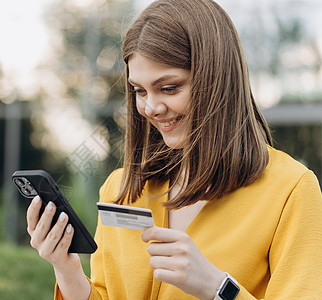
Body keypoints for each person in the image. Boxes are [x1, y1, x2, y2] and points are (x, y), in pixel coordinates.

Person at [26, 0, 322, 299]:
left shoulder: (291, 190)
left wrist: (218, 289)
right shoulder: (120, 189)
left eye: (169, 88)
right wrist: (66, 267)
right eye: (139, 91)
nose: (151, 107)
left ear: (217, 79)